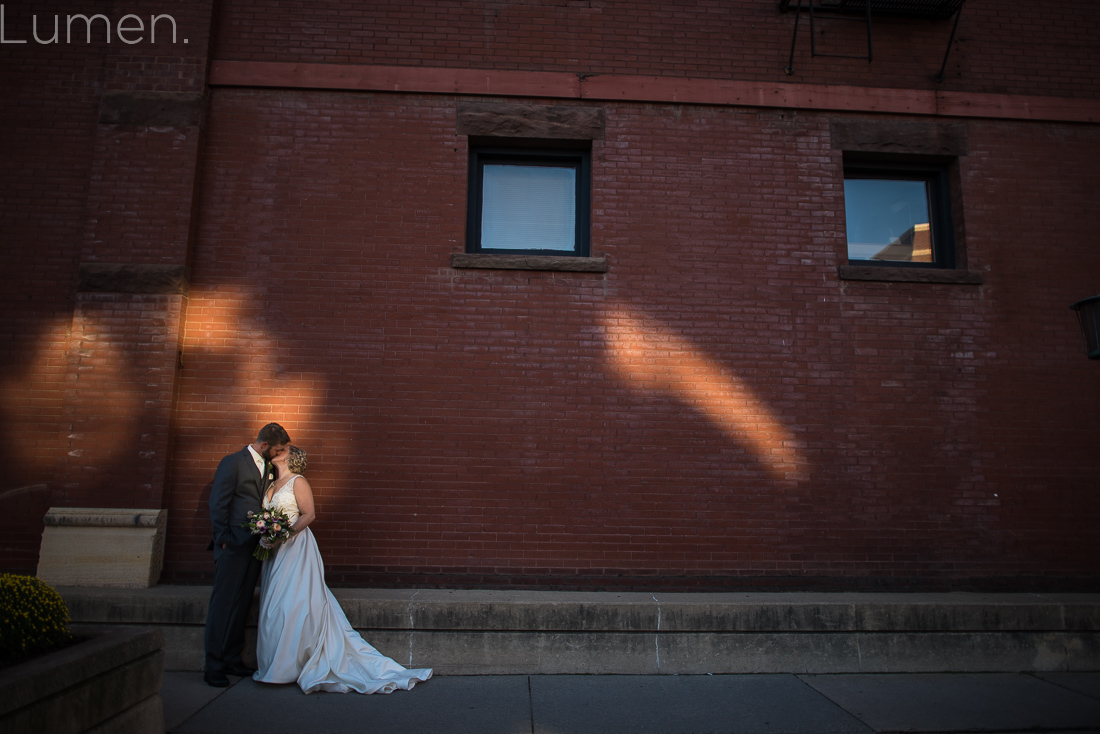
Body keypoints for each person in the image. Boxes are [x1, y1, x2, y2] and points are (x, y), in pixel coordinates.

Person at [253, 445, 433, 694]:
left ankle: (291, 664)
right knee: (272, 604)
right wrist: (264, 535)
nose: (276, 451)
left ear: (291, 457)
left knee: (292, 603)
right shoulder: (271, 484)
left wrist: (283, 535)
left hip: (295, 548)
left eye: (282, 449)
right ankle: (275, 663)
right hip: (273, 552)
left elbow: (308, 515)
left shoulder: (298, 481)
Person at [204, 422, 291, 687]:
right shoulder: (232, 463)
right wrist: (224, 540)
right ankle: (213, 666)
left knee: (242, 605)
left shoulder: (268, 466)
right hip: (232, 548)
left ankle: (232, 658)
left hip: (255, 548)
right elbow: (218, 503)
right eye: (276, 449)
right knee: (223, 606)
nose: (278, 454)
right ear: (264, 445)